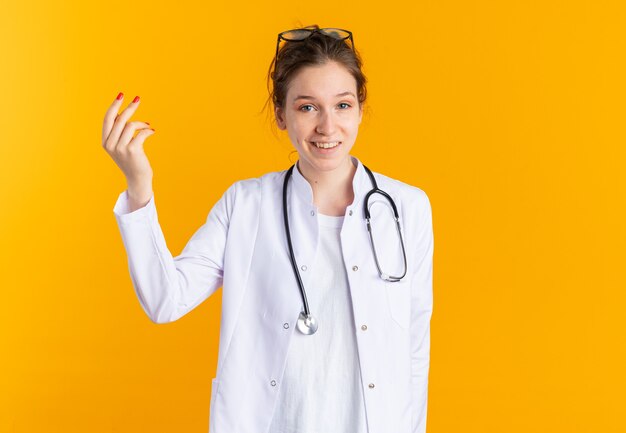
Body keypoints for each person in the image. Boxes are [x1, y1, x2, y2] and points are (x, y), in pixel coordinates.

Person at [102, 25, 434, 433]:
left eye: (343, 105)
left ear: (361, 108)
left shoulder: (407, 208)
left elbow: (415, 347)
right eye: (307, 107)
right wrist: (139, 187)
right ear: (281, 114)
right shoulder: (246, 205)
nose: (327, 127)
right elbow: (165, 300)